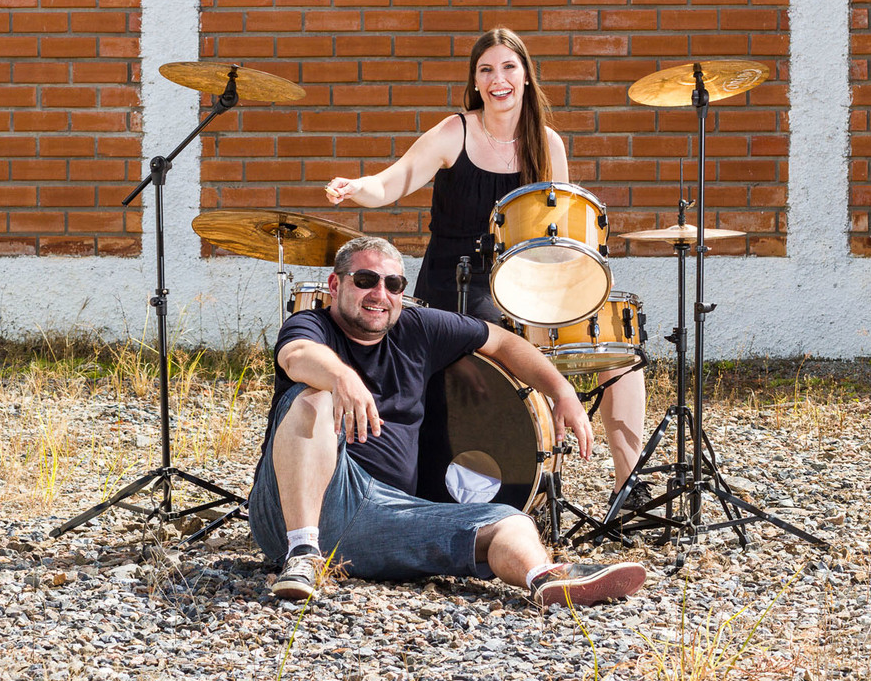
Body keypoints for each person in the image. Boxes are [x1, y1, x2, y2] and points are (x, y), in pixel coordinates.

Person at [324, 27, 653, 510]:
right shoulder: (454, 131)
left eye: (507, 68)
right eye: (486, 70)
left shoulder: (548, 144)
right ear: (476, 82)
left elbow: (557, 236)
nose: (497, 79)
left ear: (524, 77)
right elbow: (393, 182)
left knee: (614, 340)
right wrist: (358, 187)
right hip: (457, 283)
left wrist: (572, 291)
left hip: (525, 279)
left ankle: (629, 486)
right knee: (504, 333)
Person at [247, 236, 646, 606]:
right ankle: (302, 554)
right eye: (365, 280)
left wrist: (562, 391)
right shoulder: (312, 327)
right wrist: (341, 377)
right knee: (311, 399)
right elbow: (296, 355)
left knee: (509, 521)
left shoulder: (418, 328)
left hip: (380, 517)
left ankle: (546, 579)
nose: (379, 294)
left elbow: (505, 342)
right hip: (287, 513)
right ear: (335, 285)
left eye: (393, 284)